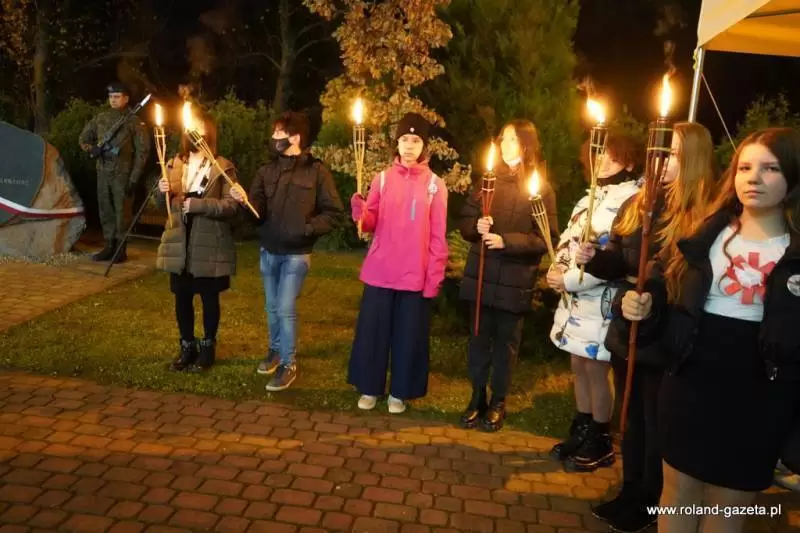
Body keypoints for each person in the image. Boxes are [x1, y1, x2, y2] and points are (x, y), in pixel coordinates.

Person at [621, 127, 800, 533]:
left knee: (729, 505)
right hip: (691, 380)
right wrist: (643, 305)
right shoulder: (705, 235)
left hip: (760, 393)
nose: (754, 178)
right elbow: (663, 290)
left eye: (770, 168)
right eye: (745, 167)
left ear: (792, 176)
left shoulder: (796, 251)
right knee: (677, 493)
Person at [575, 122, 719, 532]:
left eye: (671, 154)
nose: (661, 161)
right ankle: (631, 490)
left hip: (665, 335)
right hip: (630, 328)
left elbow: (686, 280)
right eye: (659, 152)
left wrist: (655, 299)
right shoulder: (639, 203)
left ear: (693, 159)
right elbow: (621, 262)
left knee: (656, 422)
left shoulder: (704, 215)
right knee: (631, 418)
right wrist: (594, 258)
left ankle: (653, 499)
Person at [546, 133, 642, 471]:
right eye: (599, 154)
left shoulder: (633, 201)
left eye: (613, 157)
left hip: (601, 301)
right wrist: (556, 268)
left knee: (597, 369)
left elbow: (615, 258)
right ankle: (583, 425)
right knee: (579, 366)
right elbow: (568, 240)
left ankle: (601, 437)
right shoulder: (589, 198)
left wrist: (570, 280)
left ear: (629, 162)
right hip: (575, 304)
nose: (603, 162)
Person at [230, 111, 343, 392]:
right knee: (272, 307)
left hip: (296, 254)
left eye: (279, 133)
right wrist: (244, 202)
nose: (273, 137)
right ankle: (276, 350)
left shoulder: (316, 172)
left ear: (295, 138)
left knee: (285, 307)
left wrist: (306, 228)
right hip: (269, 251)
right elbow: (256, 214)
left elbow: (334, 213)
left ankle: (289, 363)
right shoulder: (266, 171)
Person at [458, 119, 559, 432]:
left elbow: (545, 238)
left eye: (512, 139)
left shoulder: (539, 188)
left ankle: (498, 401)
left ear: (526, 145)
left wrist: (506, 241)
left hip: (514, 280)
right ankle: (477, 396)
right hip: (482, 275)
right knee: (478, 340)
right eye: (503, 138)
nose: (504, 144)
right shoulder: (487, 181)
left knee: (505, 345)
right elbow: (466, 219)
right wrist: (475, 226)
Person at [346, 112, 448, 414]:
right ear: (397, 143)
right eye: (405, 139)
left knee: (408, 337)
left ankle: (400, 392)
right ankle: (369, 386)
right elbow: (370, 222)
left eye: (416, 140)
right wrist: (361, 212)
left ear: (424, 146)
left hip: (414, 276)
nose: (409, 146)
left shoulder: (435, 185)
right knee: (373, 333)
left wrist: (434, 278)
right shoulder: (382, 179)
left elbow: (438, 237)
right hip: (380, 271)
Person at [155, 110, 241, 373]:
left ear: (209, 132)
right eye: (191, 126)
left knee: (208, 297)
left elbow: (231, 205)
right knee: (182, 297)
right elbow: (163, 206)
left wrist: (200, 205)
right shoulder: (174, 163)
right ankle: (186, 346)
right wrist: (161, 193)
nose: (194, 132)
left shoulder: (222, 166)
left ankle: (207, 348)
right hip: (180, 242)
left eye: (200, 127)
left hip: (208, 243)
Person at [79, 82, 150, 263]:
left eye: (117, 97)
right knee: (106, 210)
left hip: (123, 174)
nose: (113, 100)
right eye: (111, 97)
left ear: (126, 98)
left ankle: (120, 248)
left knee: (122, 211)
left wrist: (134, 178)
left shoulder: (134, 121)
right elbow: (83, 138)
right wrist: (92, 149)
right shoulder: (101, 118)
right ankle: (109, 245)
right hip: (103, 171)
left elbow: (142, 152)